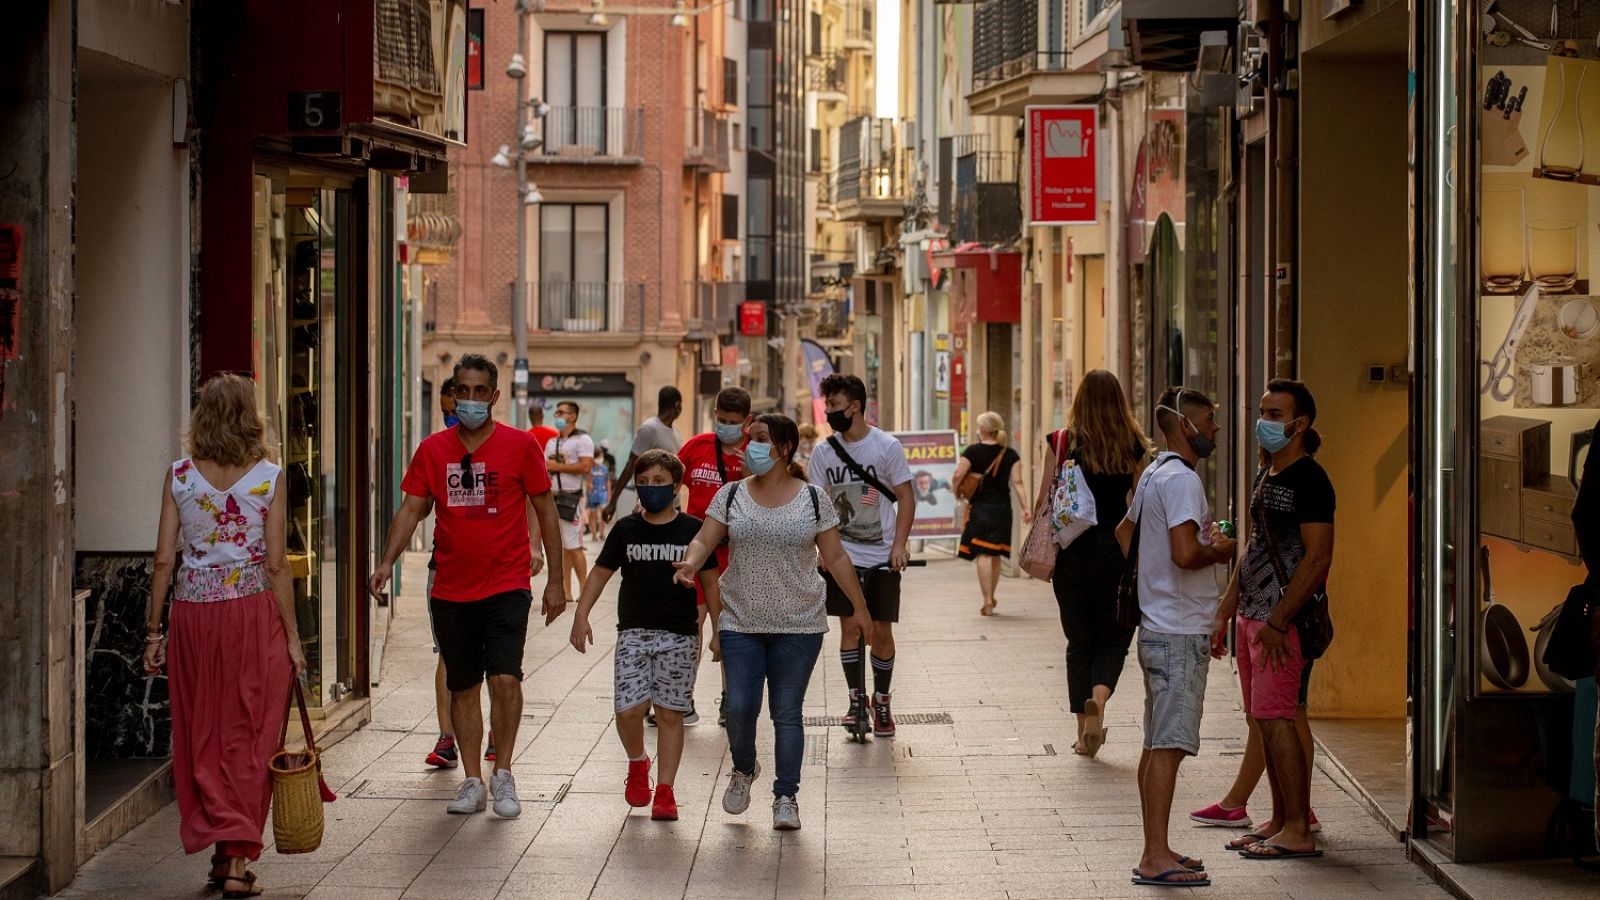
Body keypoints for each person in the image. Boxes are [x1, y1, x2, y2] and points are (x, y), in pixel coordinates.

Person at [368, 354, 566, 819]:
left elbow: (547, 513)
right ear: (453, 395)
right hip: (451, 588)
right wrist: (386, 562)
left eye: (481, 391)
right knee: (463, 686)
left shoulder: (521, 447)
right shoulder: (433, 450)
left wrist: (557, 580)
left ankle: (505, 774)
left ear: (495, 396)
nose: (472, 400)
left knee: (505, 677)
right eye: (464, 391)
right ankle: (473, 779)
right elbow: (411, 510)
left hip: (507, 582)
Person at [142, 373, 308, 898]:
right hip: (252, 614)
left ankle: (223, 855)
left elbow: (164, 559)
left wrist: (153, 631)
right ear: (250, 416)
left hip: (193, 615)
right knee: (251, 731)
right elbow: (277, 563)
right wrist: (294, 637)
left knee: (204, 732)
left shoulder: (179, 475)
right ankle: (234, 859)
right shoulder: (268, 477)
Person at [672, 413, 875, 830]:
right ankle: (744, 769)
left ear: (783, 448)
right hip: (740, 620)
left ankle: (786, 796)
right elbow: (704, 539)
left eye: (761, 439)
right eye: (749, 440)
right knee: (741, 707)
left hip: (798, 624)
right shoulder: (730, 496)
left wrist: (860, 607)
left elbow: (834, 557)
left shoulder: (814, 499)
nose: (750, 447)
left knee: (787, 712)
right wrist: (690, 563)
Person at [1210, 379, 1335, 860]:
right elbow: (1257, 547)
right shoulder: (1268, 473)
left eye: (1276, 414)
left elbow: (1318, 558)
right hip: (1251, 618)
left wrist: (1280, 620)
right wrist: (1228, 606)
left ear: (1300, 424)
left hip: (1282, 626)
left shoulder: (1310, 480)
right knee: (1263, 720)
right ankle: (1281, 819)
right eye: (1263, 411)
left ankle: (1299, 828)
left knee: (1280, 720)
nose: (1265, 421)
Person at [1116, 386, 1235, 888]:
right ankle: (1154, 856)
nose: (1215, 429)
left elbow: (1126, 534)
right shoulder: (1181, 480)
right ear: (1185, 426)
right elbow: (1187, 553)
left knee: (1155, 743)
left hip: (1161, 622)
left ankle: (1157, 848)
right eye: (1208, 420)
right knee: (1168, 745)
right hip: (1178, 628)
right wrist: (1222, 549)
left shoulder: (1153, 475)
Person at [570, 450, 720, 821]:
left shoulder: (693, 531)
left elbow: (711, 583)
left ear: (676, 486)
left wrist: (719, 630)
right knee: (628, 710)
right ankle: (638, 761)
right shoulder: (626, 529)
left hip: (680, 635)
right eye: (645, 481)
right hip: (633, 633)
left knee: (671, 714)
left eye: (660, 481)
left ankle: (665, 791)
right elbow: (600, 573)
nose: (651, 488)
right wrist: (581, 614)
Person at [1044, 371, 1154, 757]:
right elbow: (1143, 506)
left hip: (1073, 555)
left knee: (1079, 643)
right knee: (1113, 639)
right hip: (1116, 555)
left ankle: (1081, 733)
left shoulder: (1063, 442)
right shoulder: (1134, 446)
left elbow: (1047, 499)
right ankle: (1100, 700)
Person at [809, 374, 915, 738]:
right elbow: (817, 504)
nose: (829, 413)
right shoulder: (823, 452)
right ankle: (856, 700)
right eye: (827, 407)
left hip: (882, 554)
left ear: (855, 406)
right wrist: (822, 549)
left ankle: (881, 700)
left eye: (834, 406)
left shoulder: (886, 446)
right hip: (842, 556)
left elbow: (906, 496)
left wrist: (899, 544)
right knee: (851, 625)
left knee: (882, 628)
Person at [674, 386, 753, 726]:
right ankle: (682, 696)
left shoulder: (755, 450)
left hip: (735, 555)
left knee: (731, 630)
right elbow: (673, 479)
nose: (726, 426)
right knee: (692, 624)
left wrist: (749, 470)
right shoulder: (696, 446)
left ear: (746, 421)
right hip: (698, 548)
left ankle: (729, 700)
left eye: (733, 422)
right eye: (721, 419)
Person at [953, 411, 1030, 616]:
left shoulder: (972, 451)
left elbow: (958, 475)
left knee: (983, 555)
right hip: (1003, 509)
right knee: (995, 554)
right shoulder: (1011, 454)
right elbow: (1017, 482)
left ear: (982, 430)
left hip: (981, 508)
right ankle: (991, 596)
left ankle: (986, 598)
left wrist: (957, 492)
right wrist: (1026, 507)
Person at [606, 386, 684, 522]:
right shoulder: (649, 429)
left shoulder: (676, 433)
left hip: (673, 505)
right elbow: (631, 465)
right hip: (651, 505)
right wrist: (612, 503)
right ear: (677, 406)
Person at [545, 400, 596, 601]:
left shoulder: (583, 440)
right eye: (556, 412)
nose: (557, 415)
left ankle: (584, 589)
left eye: (561, 412)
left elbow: (585, 467)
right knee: (562, 546)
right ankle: (566, 590)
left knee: (574, 545)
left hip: (571, 497)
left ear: (572, 416)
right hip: (552, 496)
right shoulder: (552, 442)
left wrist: (557, 467)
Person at [586, 447, 611, 542]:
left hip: (602, 495)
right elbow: (586, 481)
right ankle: (593, 535)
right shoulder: (589, 469)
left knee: (603, 514)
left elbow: (607, 481)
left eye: (601, 456)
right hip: (592, 495)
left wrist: (609, 494)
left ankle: (602, 533)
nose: (601, 458)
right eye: (599, 456)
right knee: (593, 516)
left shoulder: (604, 468)